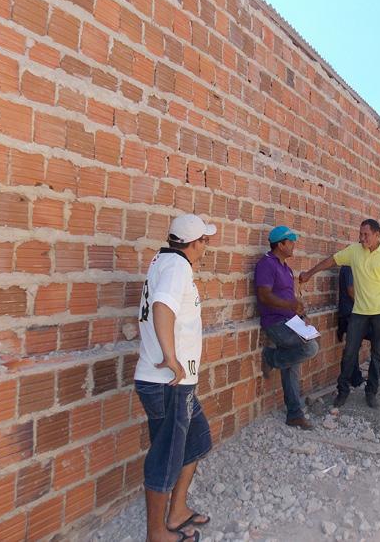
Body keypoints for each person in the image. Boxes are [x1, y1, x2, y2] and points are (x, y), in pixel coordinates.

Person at [135, 213, 218, 542]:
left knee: (197, 440)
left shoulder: (164, 261)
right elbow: (162, 307)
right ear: (193, 243)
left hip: (173, 384)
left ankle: (177, 510)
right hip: (168, 383)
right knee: (165, 458)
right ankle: (157, 533)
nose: (206, 247)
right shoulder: (177, 266)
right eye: (204, 241)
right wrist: (170, 357)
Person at [300, 219, 380, 409]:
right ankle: (343, 391)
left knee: (377, 355)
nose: (362, 238)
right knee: (349, 353)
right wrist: (310, 273)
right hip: (359, 312)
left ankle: (371, 393)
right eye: (360, 234)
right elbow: (331, 260)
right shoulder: (354, 251)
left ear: (377, 235)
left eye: (366, 235)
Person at [255, 225, 319, 430]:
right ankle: (271, 358)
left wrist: (301, 314)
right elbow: (264, 295)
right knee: (309, 348)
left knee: (292, 365)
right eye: (290, 242)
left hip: (291, 321)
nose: (293, 246)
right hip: (275, 322)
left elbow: (290, 298)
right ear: (280, 244)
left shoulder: (286, 268)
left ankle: (294, 414)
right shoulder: (266, 264)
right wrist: (291, 305)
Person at [337, 265, 365, 388]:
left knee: (355, 345)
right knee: (353, 346)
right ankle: (353, 378)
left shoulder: (356, 265)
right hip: (350, 311)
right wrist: (364, 305)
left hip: (353, 311)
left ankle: (353, 376)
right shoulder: (350, 266)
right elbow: (350, 290)